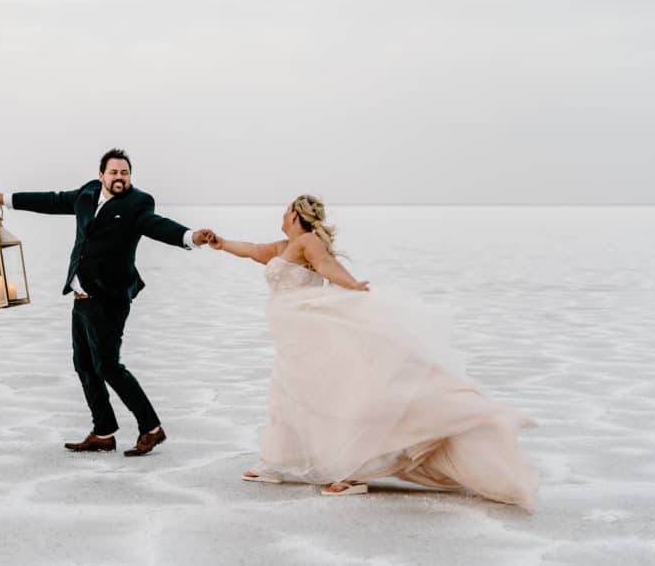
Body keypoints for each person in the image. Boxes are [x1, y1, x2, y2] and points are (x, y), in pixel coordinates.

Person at [208, 194, 538, 510]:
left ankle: (353, 471)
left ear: (294, 215)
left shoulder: (308, 242)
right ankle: (276, 462)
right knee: (289, 393)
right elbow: (252, 250)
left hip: (312, 330)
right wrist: (222, 244)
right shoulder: (284, 247)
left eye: (284, 212)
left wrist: (352, 286)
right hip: (291, 335)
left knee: (328, 395)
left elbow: (325, 264)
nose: (281, 217)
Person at [0, 148, 214, 457]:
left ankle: (152, 429)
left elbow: (157, 225)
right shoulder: (87, 193)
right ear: (101, 175)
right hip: (81, 296)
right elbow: (52, 201)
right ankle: (104, 431)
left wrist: (190, 236)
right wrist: (8, 198)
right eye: (114, 173)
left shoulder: (138, 203)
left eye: (125, 173)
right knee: (84, 365)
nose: (120, 178)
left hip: (110, 298)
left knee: (108, 365)